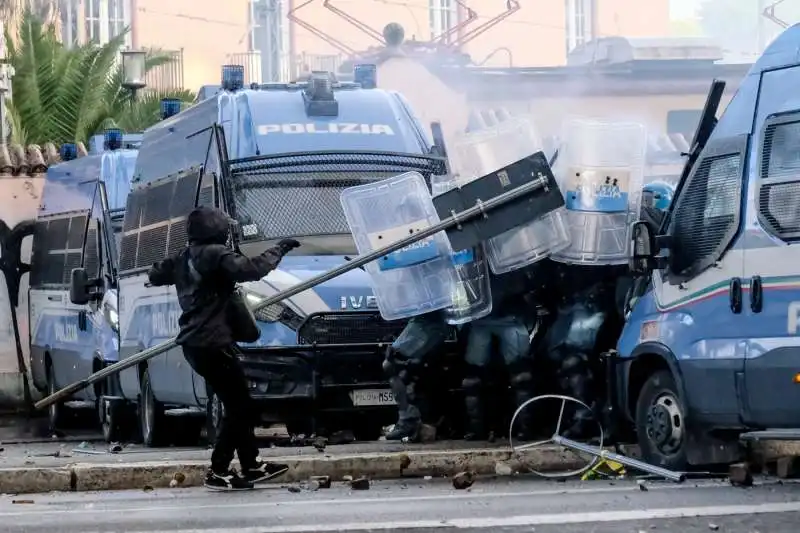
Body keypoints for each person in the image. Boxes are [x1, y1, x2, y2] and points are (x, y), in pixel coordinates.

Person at [147, 206, 301, 491]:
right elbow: (251, 270)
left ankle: (251, 465)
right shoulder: (215, 254)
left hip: (196, 344)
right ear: (216, 230)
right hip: (213, 343)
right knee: (240, 406)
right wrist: (278, 250)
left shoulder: (185, 257)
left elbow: (155, 274)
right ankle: (219, 470)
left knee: (239, 405)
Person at [461, 269, 536, 441]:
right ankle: (477, 428)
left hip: (510, 317)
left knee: (522, 377)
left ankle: (524, 427)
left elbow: (528, 285)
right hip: (480, 319)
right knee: (472, 381)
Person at [383, 310, 450, 441]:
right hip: (437, 325)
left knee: (390, 364)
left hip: (424, 324)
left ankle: (408, 419)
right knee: (410, 370)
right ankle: (418, 420)